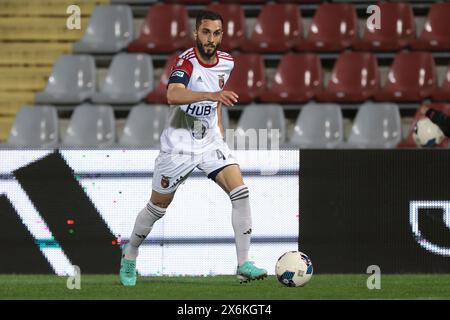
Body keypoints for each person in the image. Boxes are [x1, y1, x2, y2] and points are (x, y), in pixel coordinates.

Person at [119, 10, 268, 286]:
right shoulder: (185, 62)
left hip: (210, 142)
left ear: (222, 35)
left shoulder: (227, 62)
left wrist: (219, 126)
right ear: (196, 33)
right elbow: (173, 94)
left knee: (241, 191)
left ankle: (243, 263)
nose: (211, 39)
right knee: (157, 207)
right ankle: (129, 256)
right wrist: (210, 94)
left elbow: (219, 96)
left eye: (216, 33)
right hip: (178, 147)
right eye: (206, 32)